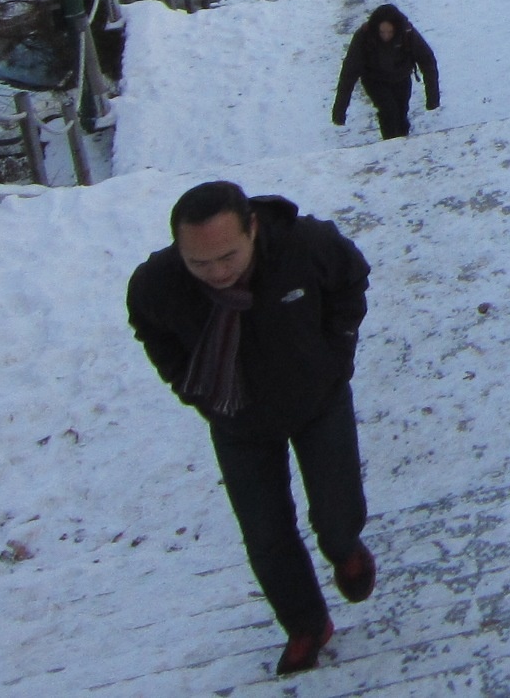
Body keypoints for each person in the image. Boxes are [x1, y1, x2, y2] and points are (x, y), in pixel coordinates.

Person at [128, 180, 374, 677]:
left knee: (335, 508)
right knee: (265, 533)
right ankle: (306, 624)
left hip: (317, 400)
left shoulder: (305, 246)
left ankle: (344, 547)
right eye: (200, 263)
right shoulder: (158, 284)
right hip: (237, 418)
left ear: (253, 230)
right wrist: (192, 387)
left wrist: (336, 355)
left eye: (228, 256)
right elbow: (151, 328)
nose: (217, 272)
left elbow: (351, 280)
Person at [333, 5, 439, 141]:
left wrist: (432, 98)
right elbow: (349, 72)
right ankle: (391, 143)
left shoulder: (408, 33)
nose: (386, 36)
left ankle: (402, 142)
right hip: (374, 80)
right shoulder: (364, 36)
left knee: (401, 114)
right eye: (382, 32)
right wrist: (340, 110)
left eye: (390, 32)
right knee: (388, 111)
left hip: (401, 77)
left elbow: (428, 62)